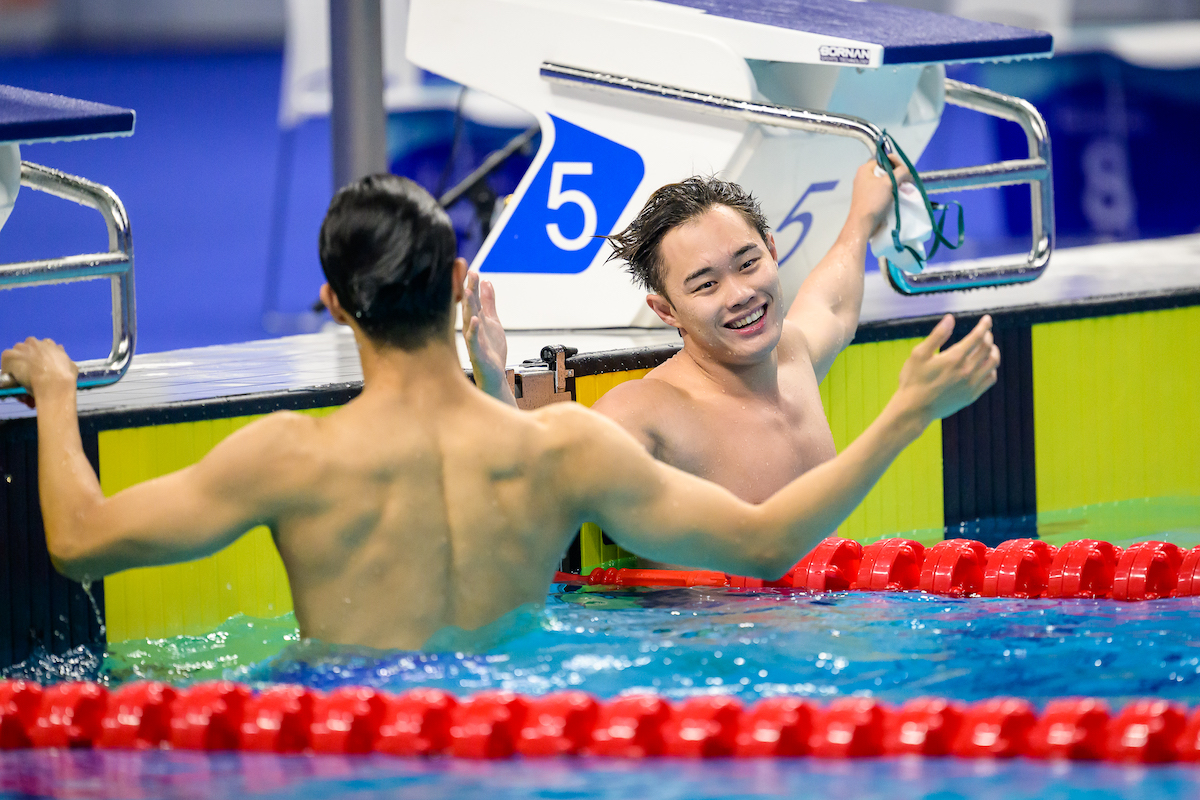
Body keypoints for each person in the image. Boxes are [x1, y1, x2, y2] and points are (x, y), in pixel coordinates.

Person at [2, 174, 997, 653]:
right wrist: (908, 410)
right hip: (525, 720)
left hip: (339, 734)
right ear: (459, 283)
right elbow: (770, 543)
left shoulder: (286, 456)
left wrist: (55, 392)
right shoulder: (564, 445)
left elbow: (80, 542)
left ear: (338, 305)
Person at [466, 159, 941, 505]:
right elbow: (541, 485)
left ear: (772, 252)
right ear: (666, 310)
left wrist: (862, 217)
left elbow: (832, 305)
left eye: (748, 263)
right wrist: (492, 381)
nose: (739, 294)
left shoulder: (792, 356)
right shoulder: (652, 410)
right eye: (707, 284)